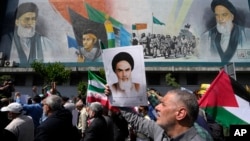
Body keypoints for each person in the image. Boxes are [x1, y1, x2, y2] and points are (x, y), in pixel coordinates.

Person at [105, 86, 213, 141]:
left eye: (163, 104)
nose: (156, 107)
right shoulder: (160, 131)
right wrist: (117, 98)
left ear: (180, 113)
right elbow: (136, 120)